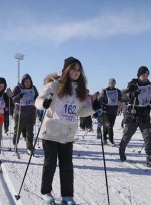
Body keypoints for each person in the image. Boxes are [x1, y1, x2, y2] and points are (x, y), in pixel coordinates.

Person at [35, 57, 97, 205]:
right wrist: (44, 103)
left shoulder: (80, 90)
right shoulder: (54, 85)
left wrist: (94, 108)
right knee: (50, 163)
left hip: (68, 133)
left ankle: (67, 196)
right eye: (73, 69)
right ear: (66, 70)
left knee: (67, 165)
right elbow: (38, 100)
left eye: (78, 70)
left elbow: (80, 112)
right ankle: (46, 191)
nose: (76, 72)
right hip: (51, 131)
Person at [118, 66, 151, 168]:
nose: (145, 77)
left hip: (144, 113)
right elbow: (123, 97)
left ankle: (149, 158)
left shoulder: (150, 86)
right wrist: (132, 94)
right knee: (127, 135)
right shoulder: (133, 84)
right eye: (143, 75)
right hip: (133, 114)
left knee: (148, 136)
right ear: (139, 75)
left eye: (147, 75)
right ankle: (121, 150)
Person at [12, 74, 39, 155]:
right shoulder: (18, 88)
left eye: (29, 81)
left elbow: (37, 97)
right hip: (20, 113)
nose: (28, 83)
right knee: (18, 130)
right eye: (26, 81)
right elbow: (13, 99)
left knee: (30, 131)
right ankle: (15, 144)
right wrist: (18, 96)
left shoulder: (33, 88)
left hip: (31, 113)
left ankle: (29, 147)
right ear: (23, 82)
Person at [99, 78, 122, 146]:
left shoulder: (117, 91)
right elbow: (100, 99)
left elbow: (121, 98)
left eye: (114, 83)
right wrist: (102, 105)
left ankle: (104, 137)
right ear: (109, 83)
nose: (113, 85)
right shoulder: (105, 90)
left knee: (109, 125)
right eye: (111, 83)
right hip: (106, 110)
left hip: (114, 110)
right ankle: (111, 140)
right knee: (109, 126)